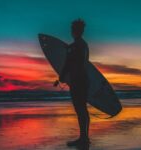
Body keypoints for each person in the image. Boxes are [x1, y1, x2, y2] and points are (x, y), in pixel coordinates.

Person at [58, 19, 90, 147]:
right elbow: (82, 63)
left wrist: (62, 76)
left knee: (80, 110)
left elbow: (69, 63)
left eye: (74, 29)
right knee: (82, 110)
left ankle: (83, 138)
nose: (73, 31)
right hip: (83, 80)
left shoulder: (75, 47)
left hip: (78, 82)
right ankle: (84, 137)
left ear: (75, 31)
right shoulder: (84, 45)